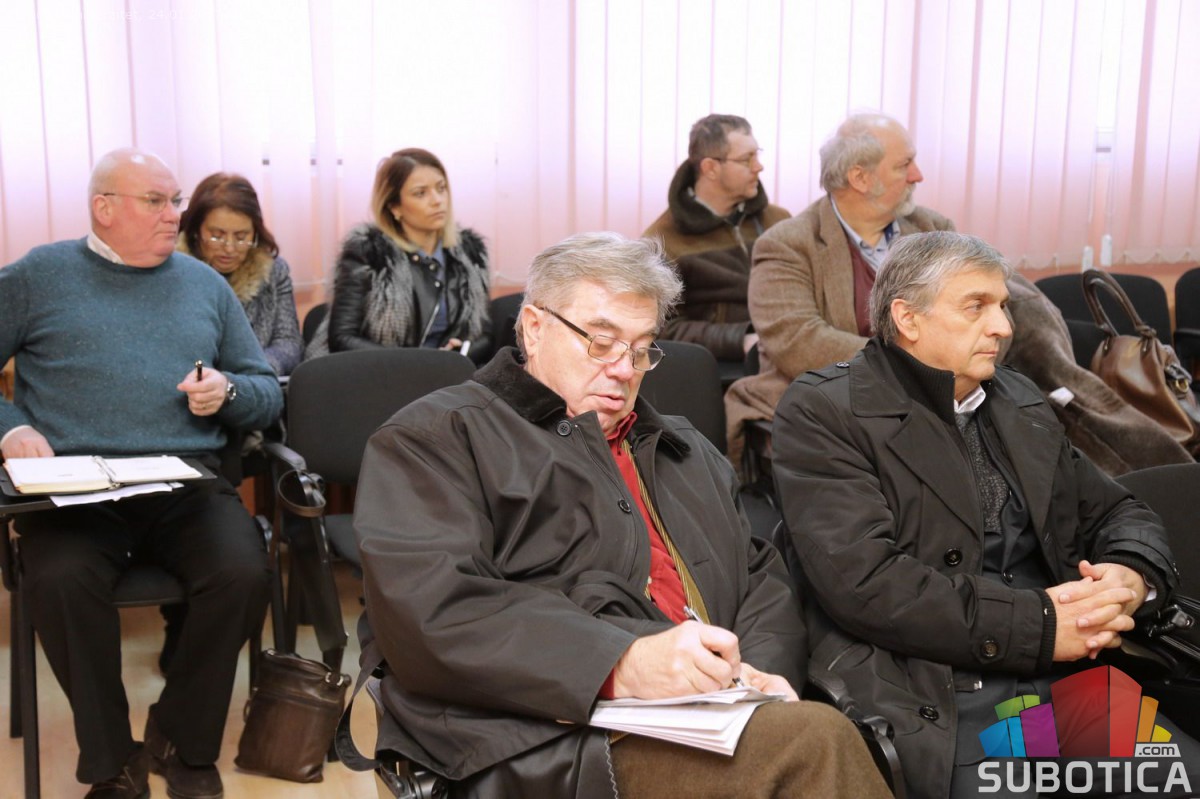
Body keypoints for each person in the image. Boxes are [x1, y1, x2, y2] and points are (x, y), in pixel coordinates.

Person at [351, 232, 892, 798]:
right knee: (813, 743)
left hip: (711, 713)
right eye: (601, 342)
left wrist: (756, 671)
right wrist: (622, 662)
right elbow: (434, 610)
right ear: (534, 328)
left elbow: (759, 577)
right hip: (543, 739)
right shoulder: (436, 437)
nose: (623, 370)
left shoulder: (684, 447)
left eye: (640, 350)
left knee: (815, 731)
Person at [771, 230, 1196, 798]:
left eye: (1002, 305)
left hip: (1062, 684)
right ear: (908, 318)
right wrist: (1044, 627)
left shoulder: (1017, 398)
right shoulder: (825, 411)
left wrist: (1130, 575)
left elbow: (1116, 509)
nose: (1002, 326)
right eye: (976, 307)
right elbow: (868, 583)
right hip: (937, 693)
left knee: (1184, 780)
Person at [0, 148, 283, 799]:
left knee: (243, 572)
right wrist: (10, 429)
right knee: (60, 579)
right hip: (75, 489)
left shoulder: (203, 284)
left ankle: (180, 739)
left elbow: (266, 392)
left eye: (174, 199)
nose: (173, 214)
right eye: (155, 201)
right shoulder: (40, 275)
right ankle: (112, 762)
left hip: (184, 483)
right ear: (104, 208)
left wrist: (228, 392)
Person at [724, 111, 953, 467]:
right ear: (860, 178)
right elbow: (800, 342)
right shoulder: (788, 244)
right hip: (831, 408)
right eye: (904, 165)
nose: (917, 175)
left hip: (934, 405)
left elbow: (989, 306)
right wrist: (914, 368)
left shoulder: (933, 229)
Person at [305, 147, 491, 363]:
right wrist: (414, 363)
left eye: (441, 188)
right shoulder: (368, 253)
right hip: (381, 372)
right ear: (394, 207)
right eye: (420, 193)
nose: (437, 200)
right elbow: (342, 338)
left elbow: (485, 334)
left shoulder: (469, 252)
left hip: (448, 374)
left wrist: (460, 353)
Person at [642, 114, 789, 366]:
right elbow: (661, 329)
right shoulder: (662, 242)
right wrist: (740, 340)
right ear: (710, 168)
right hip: (722, 367)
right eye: (746, 159)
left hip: (789, 351)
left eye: (757, 155)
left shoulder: (778, 220)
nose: (759, 167)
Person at [178, 172, 303, 377]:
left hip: (256, 386)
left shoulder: (274, 271)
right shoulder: (175, 273)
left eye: (241, 237)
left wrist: (251, 373)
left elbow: (289, 344)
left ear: (255, 232)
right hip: (191, 388)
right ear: (195, 232)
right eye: (217, 236)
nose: (229, 248)